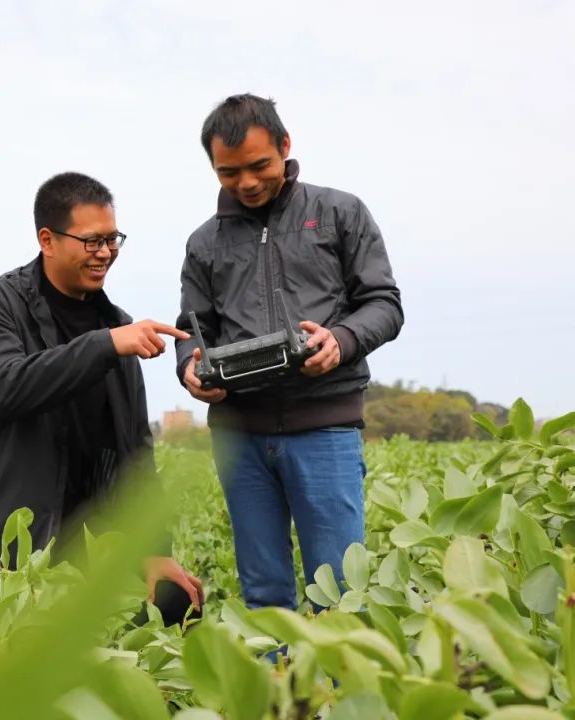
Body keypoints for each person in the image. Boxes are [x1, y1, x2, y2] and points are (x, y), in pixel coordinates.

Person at [0, 171, 203, 627]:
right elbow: (6, 387)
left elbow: (135, 450)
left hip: (76, 551)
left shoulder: (117, 325)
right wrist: (106, 345)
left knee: (176, 605)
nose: (106, 254)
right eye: (92, 242)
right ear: (47, 240)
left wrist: (154, 551)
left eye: (113, 240)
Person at [175, 94, 403, 611]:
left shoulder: (339, 213)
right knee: (264, 592)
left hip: (323, 427)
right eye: (229, 172)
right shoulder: (203, 243)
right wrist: (191, 369)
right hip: (240, 436)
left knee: (342, 591)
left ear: (284, 146)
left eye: (260, 166)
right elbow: (194, 328)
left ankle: (343, 691)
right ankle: (276, 692)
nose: (248, 183)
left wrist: (339, 342)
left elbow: (383, 303)